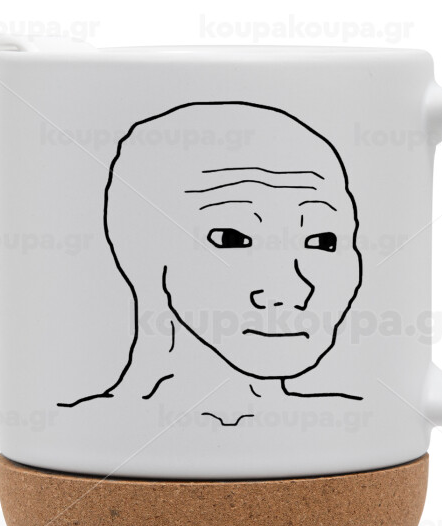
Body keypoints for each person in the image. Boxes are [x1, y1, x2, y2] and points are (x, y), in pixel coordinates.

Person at [59, 102, 363, 425]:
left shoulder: (360, 425)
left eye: (322, 241)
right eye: (233, 239)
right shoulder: (78, 433)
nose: (292, 289)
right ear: (142, 251)